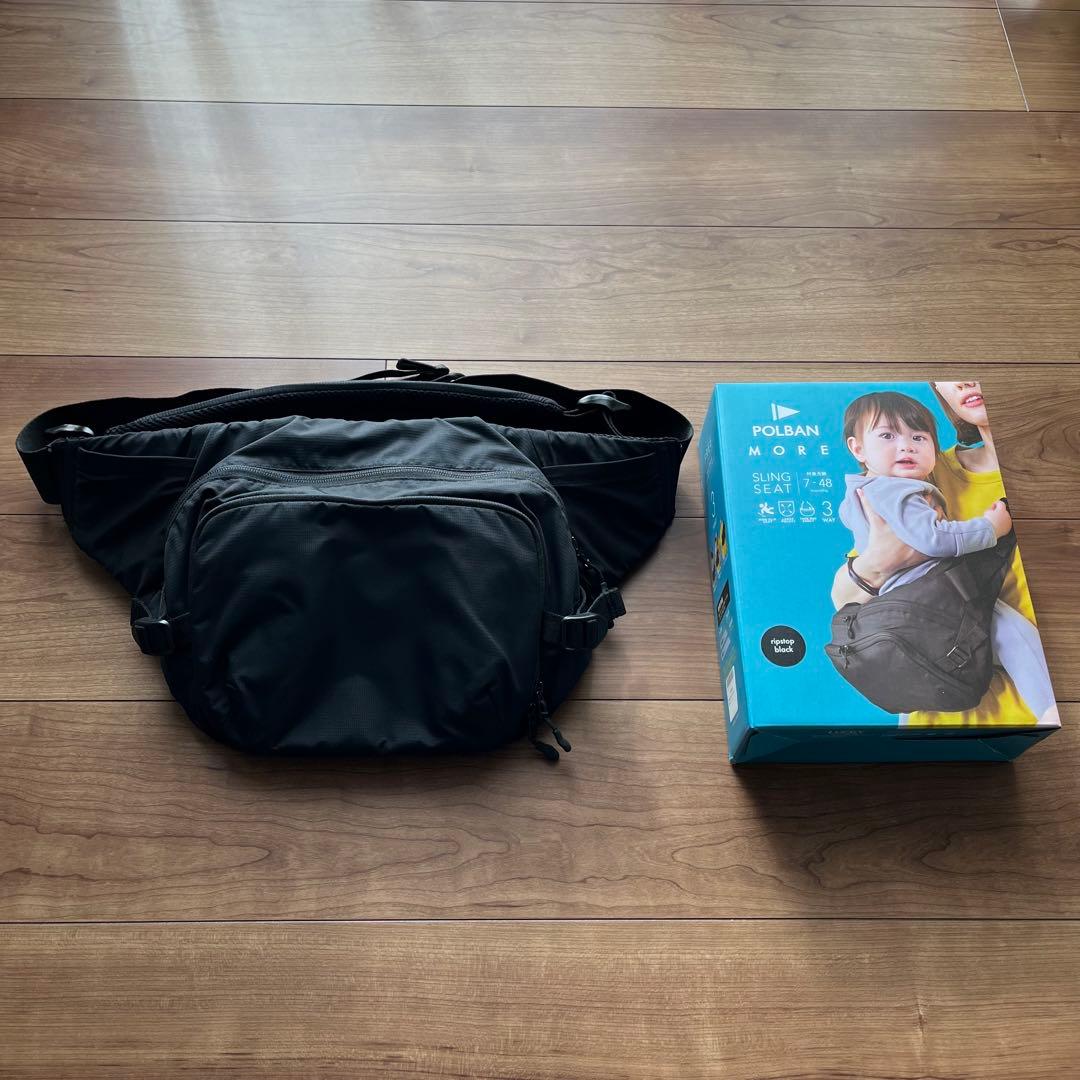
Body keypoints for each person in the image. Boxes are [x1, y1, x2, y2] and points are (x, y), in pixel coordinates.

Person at [831, 381, 1059, 727]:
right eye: (888, 436)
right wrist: (991, 528)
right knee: (1011, 632)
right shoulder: (911, 480)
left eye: (918, 437)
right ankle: (1049, 709)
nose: (906, 446)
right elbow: (847, 595)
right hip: (940, 701)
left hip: (942, 668)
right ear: (858, 448)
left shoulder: (876, 485)